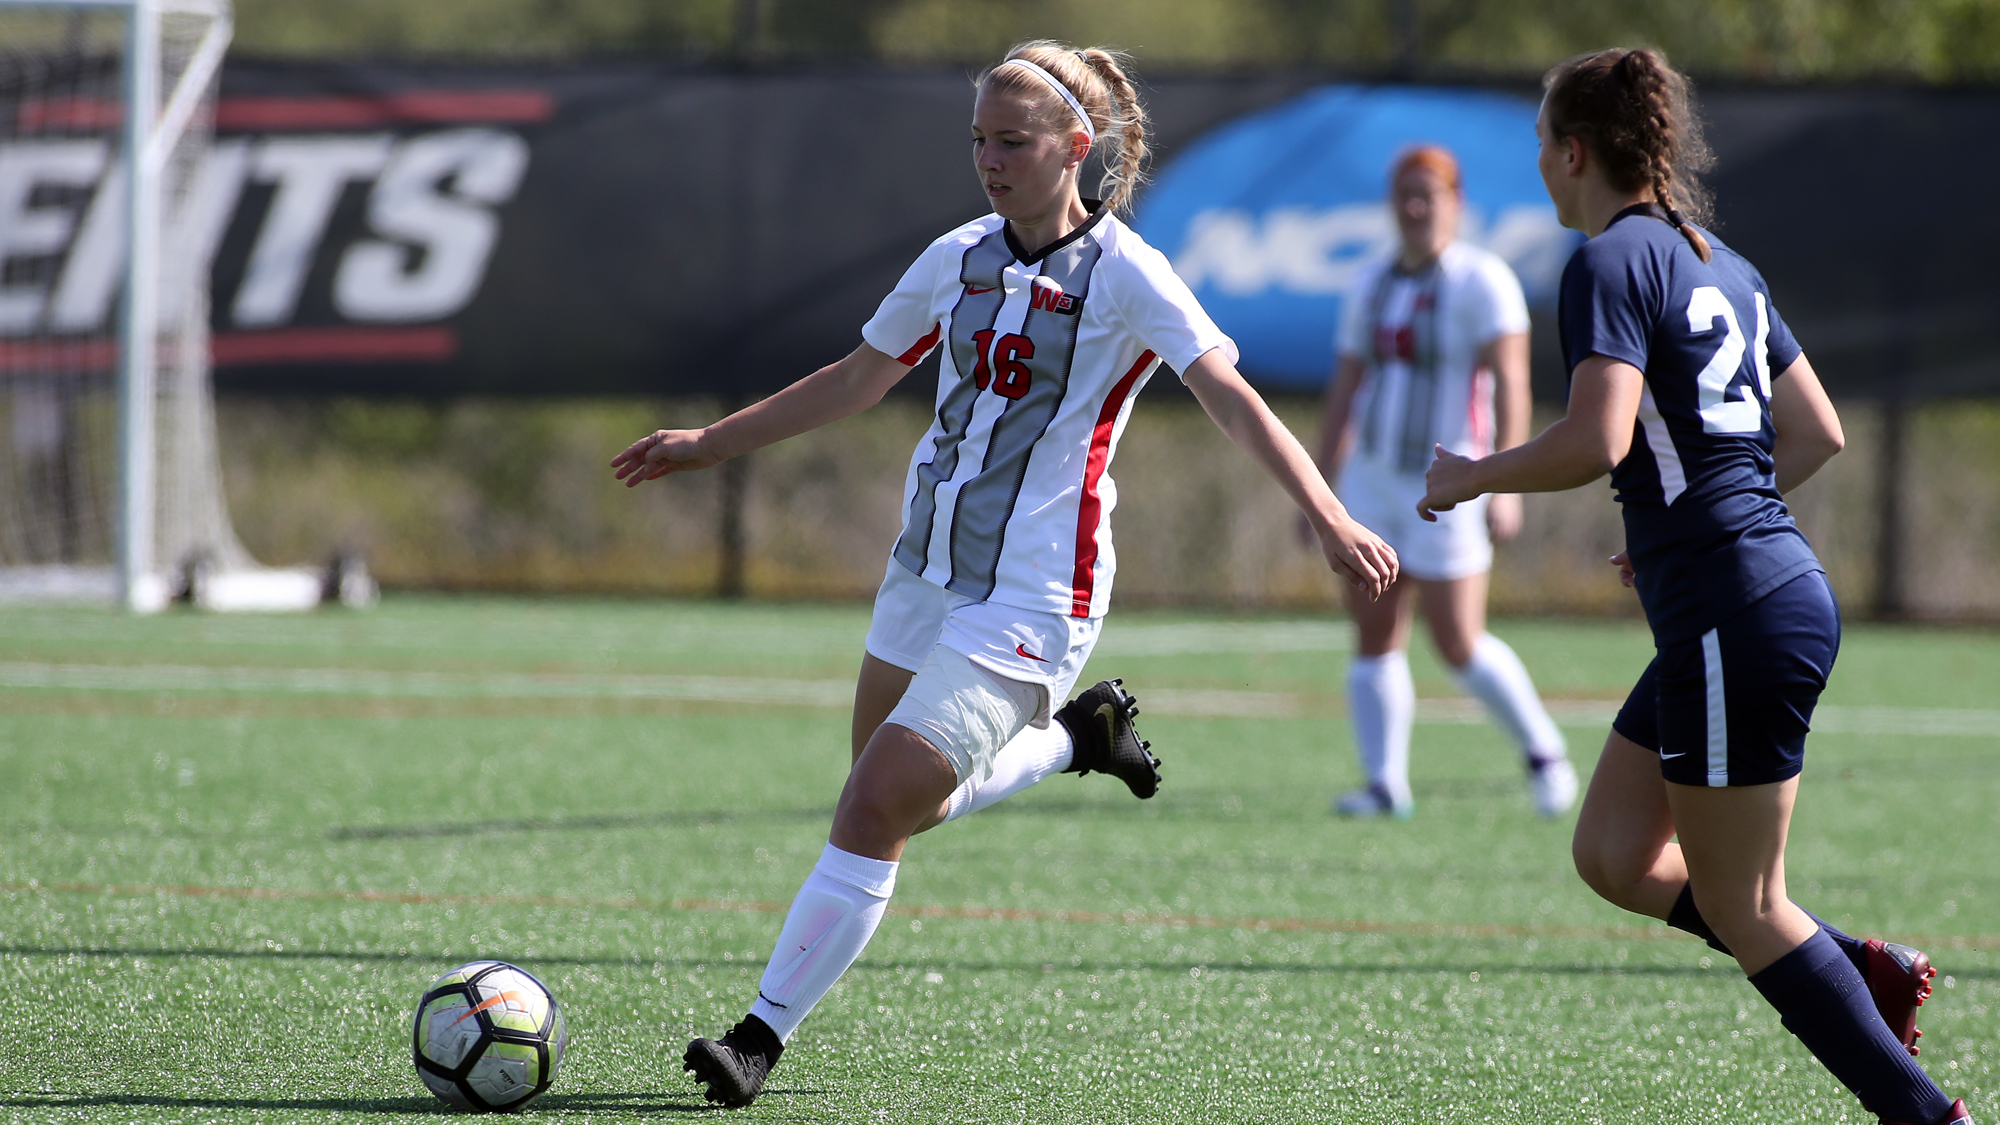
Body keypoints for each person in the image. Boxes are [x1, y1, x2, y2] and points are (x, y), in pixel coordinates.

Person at [611, 40, 1398, 1109]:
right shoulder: (956, 257)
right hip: (922, 573)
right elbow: (854, 379)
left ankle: (757, 1036)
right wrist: (712, 442)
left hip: (1035, 596)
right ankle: (1079, 738)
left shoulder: (1125, 272)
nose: (988, 158)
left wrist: (1326, 513)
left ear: (1077, 147)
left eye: (1012, 141)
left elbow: (1231, 399)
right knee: (889, 807)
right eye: (978, 138)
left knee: (873, 807)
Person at [1418, 48, 1970, 1125]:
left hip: (1733, 609)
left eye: (1541, 143)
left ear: (1573, 151)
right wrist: (1691, 516)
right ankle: (1861, 968)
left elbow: (1596, 437)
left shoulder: (1605, 262)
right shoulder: (1723, 261)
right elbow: (1815, 430)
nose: (1538, 163)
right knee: (1614, 856)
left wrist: (1474, 474)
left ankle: (1924, 1115)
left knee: (1744, 902)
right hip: (1745, 598)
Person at [1315, 145, 1577, 820]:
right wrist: (1320, 490)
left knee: (1458, 639)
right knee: (1374, 629)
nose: (1414, 208)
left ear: (1455, 204)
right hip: (1373, 481)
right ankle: (1383, 784)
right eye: (1404, 194)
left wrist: (1506, 485)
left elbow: (1512, 382)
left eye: (1428, 195)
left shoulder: (1481, 280)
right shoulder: (1369, 282)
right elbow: (1346, 386)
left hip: (1451, 483)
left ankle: (1545, 753)